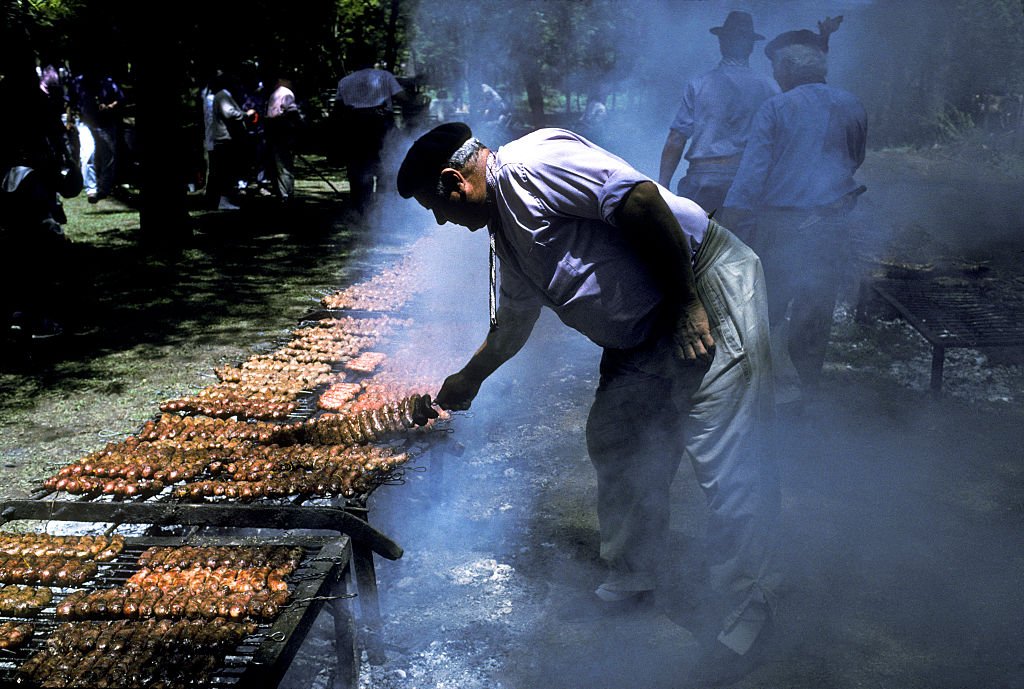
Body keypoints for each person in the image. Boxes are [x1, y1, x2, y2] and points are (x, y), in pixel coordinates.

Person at [397, 123, 780, 681]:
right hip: (639, 331)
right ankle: (633, 578)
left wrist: (684, 302)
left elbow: (643, 201)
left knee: (728, 460)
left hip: (699, 289)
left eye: (436, 207)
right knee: (616, 438)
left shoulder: (534, 164)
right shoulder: (505, 232)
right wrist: (468, 380)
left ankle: (751, 618)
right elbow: (513, 325)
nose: (440, 221)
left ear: (454, 182)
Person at [723, 17, 867, 406]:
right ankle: (808, 393)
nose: (774, 73)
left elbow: (751, 178)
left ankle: (760, 394)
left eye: (775, 66)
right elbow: (855, 159)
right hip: (832, 227)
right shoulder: (852, 104)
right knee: (816, 311)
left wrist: (726, 227)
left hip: (782, 226)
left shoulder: (776, 109)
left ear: (787, 68)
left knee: (766, 310)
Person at [658, 11, 779, 219]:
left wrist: (663, 185)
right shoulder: (770, 88)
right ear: (751, 47)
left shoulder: (700, 84)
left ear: (722, 43)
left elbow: (677, 138)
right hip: (747, 181)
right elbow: (778, 142)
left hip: (703, 180)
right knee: (743, 246)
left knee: (698, 244)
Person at [333, 46, 406, 216]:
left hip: (355, 128)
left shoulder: (344, 81)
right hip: (380, 126)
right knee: (385, 166)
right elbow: (401, 97)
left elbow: (338, 109)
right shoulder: (384, 76)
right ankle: (383, 209)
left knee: (358, 168)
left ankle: (362, 209)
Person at [70, 68, 125, 203]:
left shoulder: (108, 82)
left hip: (105, 123)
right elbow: (70, 101)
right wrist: (70, 120)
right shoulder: (78, 82)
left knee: (108, 157)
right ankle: (91, 189)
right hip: (85, 122)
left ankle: (104, 188)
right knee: (88, 153)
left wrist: (109, 107)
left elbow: (120, 98)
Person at [206, 72, 257, 211]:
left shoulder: (222, 95)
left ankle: (219, 200)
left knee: (223, 172)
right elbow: (229, 113)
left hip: (225, 138)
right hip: (224, 138)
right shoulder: (222, 96)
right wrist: (246, 115)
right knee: (224, 172)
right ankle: (223, 200)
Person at [263, 75, 303, 204]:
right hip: (282, 134)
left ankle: (283, 194)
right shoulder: (286, 93)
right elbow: (293, 112)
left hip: (274, 133)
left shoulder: (275, 94)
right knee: (284, 166)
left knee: (279, 165)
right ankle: (286, 195)